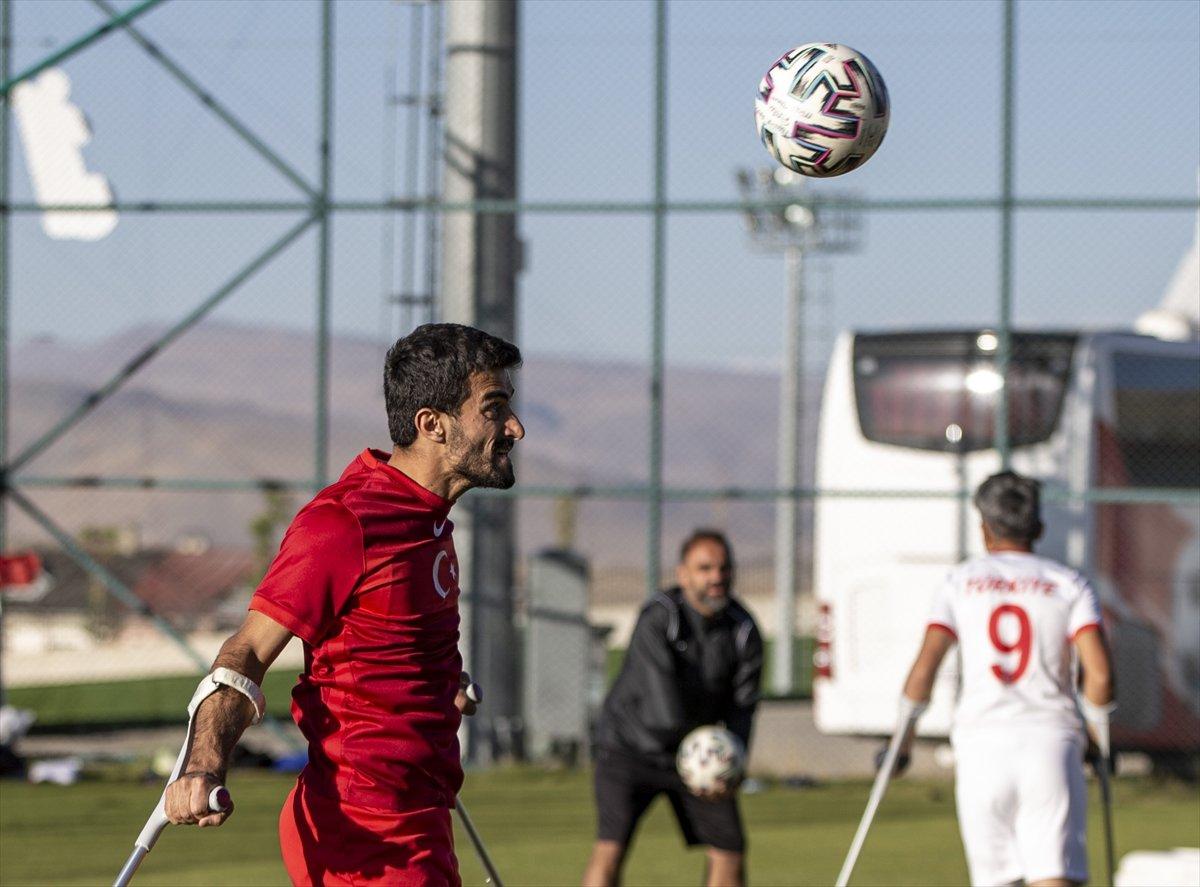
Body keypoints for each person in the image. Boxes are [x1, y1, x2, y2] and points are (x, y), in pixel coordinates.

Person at [161, 323, 525, 886]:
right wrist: (202, 764)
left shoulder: (428, 520)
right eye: (494, 409)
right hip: (364, 835)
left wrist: (436, 682)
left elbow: (380, 643)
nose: (515, 427)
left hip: (419, 819)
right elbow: (247, 651)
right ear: (432, 424)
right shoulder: (344, 523)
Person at [894, 471, 1115, 887]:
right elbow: (1100, 676)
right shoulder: (1068, 584)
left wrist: (900, 747)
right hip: (1049, 741)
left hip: (981, 748)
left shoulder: (958, 582)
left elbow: (924, 669)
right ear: (1039, 527)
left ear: (984, 528)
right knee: (1054, 875)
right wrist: (1097, 738)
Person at [583, 530, 764, 887]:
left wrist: (731, 762)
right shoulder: (660, 617)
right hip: (629, 748)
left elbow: (743, 707)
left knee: (729, 848)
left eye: (724, 568)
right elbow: (662, 707)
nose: (716, 577)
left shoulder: (743, 630)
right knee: (610, 847)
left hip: (698, 756)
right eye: (705, 568)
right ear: (683, 575)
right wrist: (705, 756)